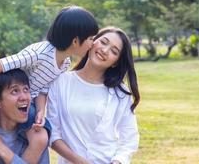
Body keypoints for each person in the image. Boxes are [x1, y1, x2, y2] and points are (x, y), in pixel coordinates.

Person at [0, 5, 99, 164]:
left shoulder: (65, 62)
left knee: (40, 138)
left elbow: (43, 89)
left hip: (24, 102)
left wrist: (40, 111)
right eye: (90, 38)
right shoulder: (40, 53)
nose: (93, 43)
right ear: (75, 41)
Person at [47, 26, 140, 164]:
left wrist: (118, 161)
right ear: (92, 42)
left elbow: (129, 138)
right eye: (103, 42)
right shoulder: (61, 82)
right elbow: (53, 134)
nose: (105, 50)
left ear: (115, 62)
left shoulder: (119, 92)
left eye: (114, 51)